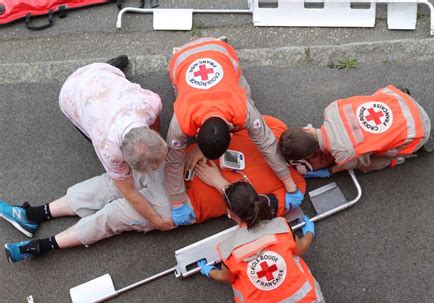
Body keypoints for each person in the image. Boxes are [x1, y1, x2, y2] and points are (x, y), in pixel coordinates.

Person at [1, 116, 305, 263]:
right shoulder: (274, 129)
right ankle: (33, 214)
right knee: (110, 185)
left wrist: (221, 184)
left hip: (182, 205)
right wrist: (203, 147)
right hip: (173, 167)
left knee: (114, 216)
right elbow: (223, 126)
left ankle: (44, 246)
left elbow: (251, 216)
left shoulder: (294, 188)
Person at [165, 37, 303, 226]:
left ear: (231, 132)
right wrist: (176, 201)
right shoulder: (181, 120)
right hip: (181, 60)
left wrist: (289, 184)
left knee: (244, 89)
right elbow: (173, 159)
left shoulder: (244, 108)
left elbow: (267, 143)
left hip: (221, 51)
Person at [59, 56, 173, 231]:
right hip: (71, 94)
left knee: (105, 76)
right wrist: (156, 221)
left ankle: (107, 68)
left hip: (100, 71)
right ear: (126, 161)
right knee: (90, 135)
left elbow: (155, 121)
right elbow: (129, 192)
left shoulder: (149, 103)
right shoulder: (107, 149)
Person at [196, 181, 325, 303]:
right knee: (290, 253)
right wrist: (309, 232)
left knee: (237, 276)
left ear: (230, 214)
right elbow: (300, 249)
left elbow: (226, 278)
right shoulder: (280, 226)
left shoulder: (227, 248)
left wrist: (209, 271)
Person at [279, 85, 434, 176]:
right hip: (397, 98)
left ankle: (403, 157)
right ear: (304, 129)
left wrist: (330, 171)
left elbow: (352, 164)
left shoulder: (343, 154)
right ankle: (404, 97)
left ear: (310, 155)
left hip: (419, 129)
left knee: (367, 164)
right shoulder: (331, 108)